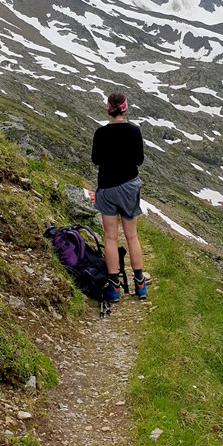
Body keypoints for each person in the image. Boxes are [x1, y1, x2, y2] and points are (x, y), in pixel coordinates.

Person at [91, 91, 146, 304]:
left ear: (108, 108)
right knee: (132, 235)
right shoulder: (134, 131)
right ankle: (140, 283)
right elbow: (139, 160)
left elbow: (96, 159)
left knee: (110, 237)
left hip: (107, 187)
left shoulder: (100, 133)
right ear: (125, 108)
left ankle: (114, 288)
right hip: (129, 186)